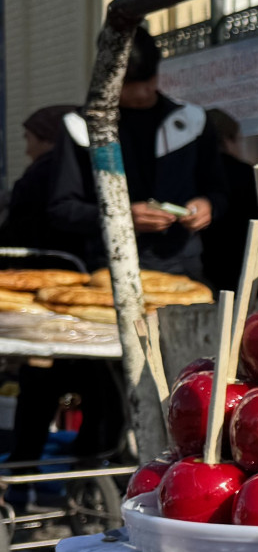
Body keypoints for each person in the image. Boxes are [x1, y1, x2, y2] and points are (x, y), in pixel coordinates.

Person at [0, 105, 124, 471]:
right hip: (82, 303)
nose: (26, 148)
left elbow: (15, 232)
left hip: (49, 305)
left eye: (29, 138)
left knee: (40, 389)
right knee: (98, 392)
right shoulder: (87, 171)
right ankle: (87, 469)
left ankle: (26, 471)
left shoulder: (45, 175)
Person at [116, 26, 229, 282]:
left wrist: (207, 206)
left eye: (150, 79)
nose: (144, 92)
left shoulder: (192, 120)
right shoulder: (85, 128)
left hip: (181, 264)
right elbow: (62, 207)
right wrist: (121, 217)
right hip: (110, 264)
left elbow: (219, 190)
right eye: (132, 84)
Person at [199, 110, 258, 290]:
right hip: (253, 275)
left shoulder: (191, 175)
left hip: (209, 276)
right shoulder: (249, 174)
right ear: (228, 140)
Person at [0, 105, 103, 263]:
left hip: (48, 261)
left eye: (28, 139)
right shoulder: (88, 167)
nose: (27, 151)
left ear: (47, 138)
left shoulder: (44, 172)